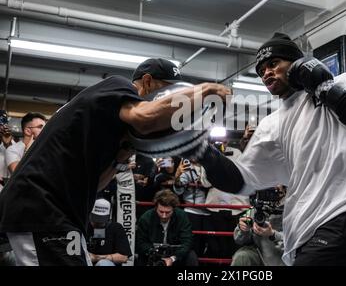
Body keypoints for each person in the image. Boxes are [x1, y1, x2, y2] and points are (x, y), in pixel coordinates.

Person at [0, 58, 230, 266]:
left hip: (59, 211)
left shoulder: (111, 128)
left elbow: (97, 184)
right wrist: (206, 90)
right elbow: (146, 117)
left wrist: (123, 153)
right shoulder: (117, 86)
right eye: (168, 92)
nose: (170, 102)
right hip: (41, 207)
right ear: (147, 82)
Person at [194, 32, 346, 266]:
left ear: (296, 62)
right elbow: (240, 180)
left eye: (273, 63)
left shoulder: (345, 82)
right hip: (314, 231)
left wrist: (326, 89)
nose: (266, 72)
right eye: (261, 71)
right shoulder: (271, 125)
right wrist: (202, 153)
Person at [135, 189, 196, 266]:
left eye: (167, 212)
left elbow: (187, 241)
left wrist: (173, 258)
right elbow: (141, 242)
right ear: (156, 207)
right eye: (161, 211)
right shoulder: (146, 218)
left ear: (173, 209)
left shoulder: (182, 216)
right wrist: (153, 253)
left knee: (191, 256)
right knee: (141, 257)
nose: (164, 215)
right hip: (152, 252)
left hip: (175, 252)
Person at [87, 199, 132, 266]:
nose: (98, 223)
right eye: (96, 219)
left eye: (101, 220)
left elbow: (124, 257)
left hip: (105, 263)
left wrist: (96, 257)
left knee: (103, 264)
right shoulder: (85, 227)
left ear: (108, 217)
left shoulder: (116, 228)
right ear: (90, 215)